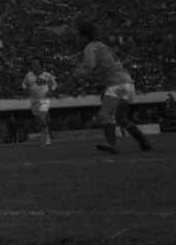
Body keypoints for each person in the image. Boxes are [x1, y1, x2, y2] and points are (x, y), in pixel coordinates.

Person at [72, 22, 152, 155]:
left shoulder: (90, 47)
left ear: (85, 37)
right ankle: (144, 143)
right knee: (121, 118)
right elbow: (106, 68)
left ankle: (112, 144)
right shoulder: (104, 46)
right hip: (128, 83)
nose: (77, 39)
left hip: (117, 84)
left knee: (104, 114)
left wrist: (75, 77)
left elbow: (89, 66)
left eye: (78, 36)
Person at [22, 59, 58, 146]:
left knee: (42, 119)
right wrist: (25, 89)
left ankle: (46, 140)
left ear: (40, 65)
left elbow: (54, 84)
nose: (33, 65)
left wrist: (51, 91)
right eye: (33, 64)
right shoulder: (28, 75)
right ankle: (48, 134)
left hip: (44, 99)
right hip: (34, 100)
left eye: (35, 64)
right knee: (38, 120)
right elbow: (23, 84)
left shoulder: (47, 75)